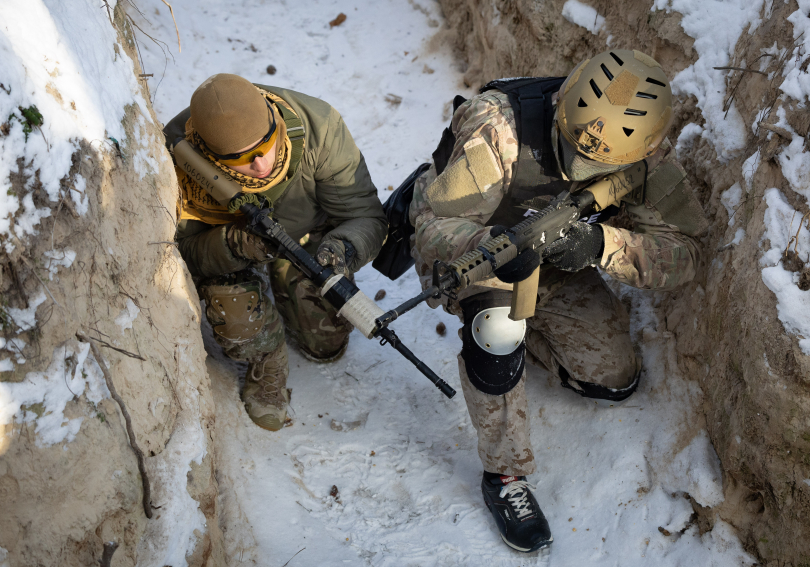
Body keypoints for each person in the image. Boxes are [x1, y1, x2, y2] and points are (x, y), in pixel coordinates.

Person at [408, 50, 707, 552]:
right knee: (496, 334)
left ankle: (529, 337)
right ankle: (504, 475)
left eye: (598, 163)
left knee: (613, 380)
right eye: (572, 146)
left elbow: (686, 250)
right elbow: (433, 229)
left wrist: (600, 247)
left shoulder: (643, 152)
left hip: (560, 262)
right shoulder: (499, 126)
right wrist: (491, 248)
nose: (580, 165)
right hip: (483, 248)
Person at [164, 74, 387, 431]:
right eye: (240, 158)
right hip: (228, 252)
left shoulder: (319, 127)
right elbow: (182, 255)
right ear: (208, 155)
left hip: (306, 239)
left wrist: (341, 249)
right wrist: (236, 244)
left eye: (265, 144)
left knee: (324, 343)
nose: (261, 164)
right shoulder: (177, 160)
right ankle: (265, 369)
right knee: (234, 311)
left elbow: (364, 215)